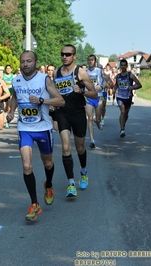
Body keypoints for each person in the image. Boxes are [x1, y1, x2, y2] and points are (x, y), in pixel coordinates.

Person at [7, 50, 64, 221]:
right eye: (23, 61)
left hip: (43, 128)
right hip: (25, 128)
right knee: (26, 165)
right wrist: (11, 111)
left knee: (48, 163)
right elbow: (14, 97)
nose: (25, 64)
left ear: (35, 62)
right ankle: (34, 203)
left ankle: (49, 185)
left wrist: (41, 101)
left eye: (29, 61)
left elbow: (60, 100)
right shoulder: (16, 80)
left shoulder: (44, 79)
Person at [53, 44, 97, 197]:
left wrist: (82, 91)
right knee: (65, 146)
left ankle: (83, 171)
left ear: (74, 56)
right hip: (63, 113)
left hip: (78, 113)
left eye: (68, 54)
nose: (64, 56)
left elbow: (94, 94)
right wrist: (53, 110)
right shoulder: (57, 73)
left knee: (79, 147)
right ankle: (71, 183)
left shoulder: (81, 72)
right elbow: (54, 93)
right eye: (62, 54)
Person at [84, 55, 112, 149]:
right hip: (88, 97)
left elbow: (109, 82)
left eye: (92, 60)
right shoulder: (85, 72)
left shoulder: (100, 71)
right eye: (89, 60)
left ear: (95, 61)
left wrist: (103, 87)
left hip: (98, 96)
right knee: (90, 118)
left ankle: (98, 121)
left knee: (97, 119)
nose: (90, 61)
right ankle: (92, 140)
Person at [113, 59, 142, 138]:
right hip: (120, 97)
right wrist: (114, 89)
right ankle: (122, 129)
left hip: (128, 97)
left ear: (126, 66)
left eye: (124, 65)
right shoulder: (118, 76)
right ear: (120, 66)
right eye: (121, 65)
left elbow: (139, 85)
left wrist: (132, 87)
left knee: (126, 114)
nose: (123, 66)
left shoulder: (130, 75)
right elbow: (116, 85)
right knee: (122, 111)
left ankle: (123, 124)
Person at [2, 64, 15, 128]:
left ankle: (7, 122)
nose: (8, 69)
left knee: (9, 109)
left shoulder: (13, 76)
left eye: (9, 68)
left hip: (11, 94)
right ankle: (2, 120)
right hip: (4, 94)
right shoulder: (3, 76)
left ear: (11, 69)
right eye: (7, 68)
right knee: (4, 108)